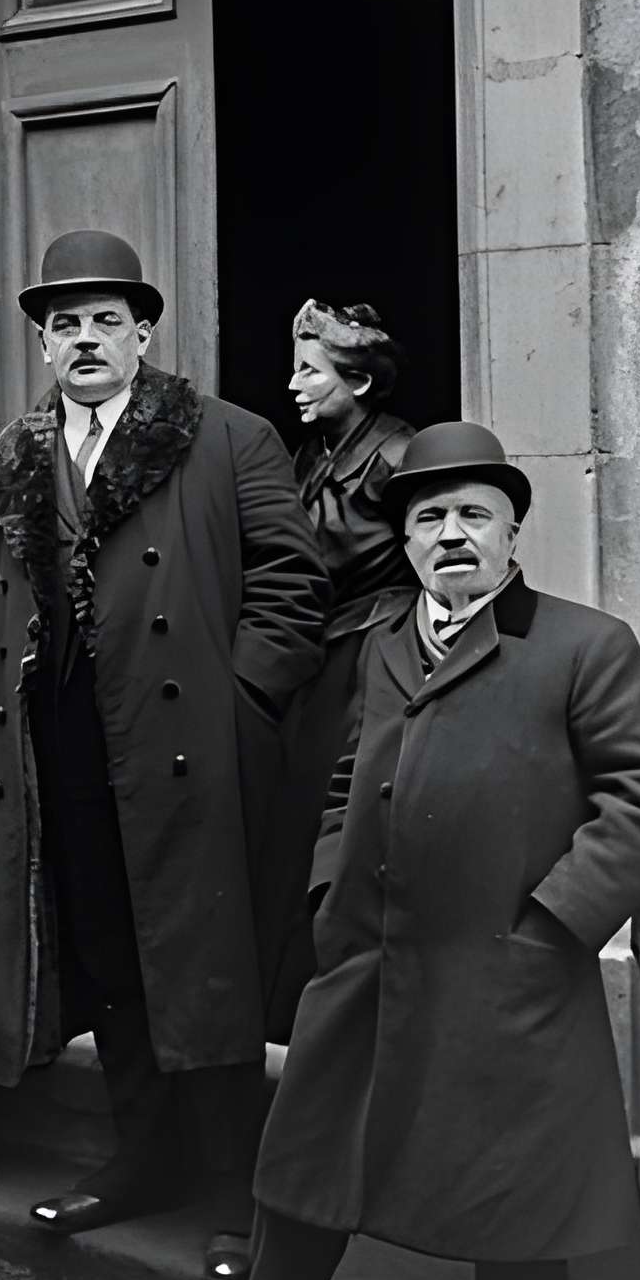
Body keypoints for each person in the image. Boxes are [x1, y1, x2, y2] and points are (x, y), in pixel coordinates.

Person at [161, 423, 640, 1280]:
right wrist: (325, 891)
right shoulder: (388, 643)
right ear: (404, 541)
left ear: (510, 534)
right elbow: (352, 772)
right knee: (303, 1168)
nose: (450, 535)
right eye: (428, 518)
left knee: (517, 1221)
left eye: (472, 516)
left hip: (513, 980)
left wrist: (550, 926)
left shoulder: (582, 645)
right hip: (373, 964)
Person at [0, 230, 330, 1280]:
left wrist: (236, 704)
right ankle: (140, 1156)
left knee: (201, 964)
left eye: (104, 320)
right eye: (64, 323)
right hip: (61, 737)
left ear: (143, 332)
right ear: (42, 341)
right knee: (109, 956)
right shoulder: (19, 452)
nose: (85, 339)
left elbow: (293, 588)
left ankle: (229, 1192)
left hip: (184, 747)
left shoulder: (226, 435)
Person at [262, 300, 417, 1033]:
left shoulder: (398, 455)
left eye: (309, 371)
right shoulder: (308, 457)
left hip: (377, 655)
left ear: (356, 381)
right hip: (321, 654)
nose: (293, 385)